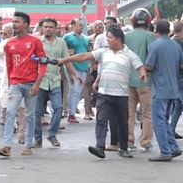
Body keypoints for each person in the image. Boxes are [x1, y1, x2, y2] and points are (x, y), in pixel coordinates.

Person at [59, 26, 147, 159]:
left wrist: (142, 74)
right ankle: (100, 147)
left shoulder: (129, 54)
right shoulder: (104, 52)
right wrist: (66, 59)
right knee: (101, 120)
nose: (108, 40)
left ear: (118, 39)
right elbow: (85, 56)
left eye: (110, 38)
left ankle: (123, 148)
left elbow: (140, 67)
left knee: (123, 123)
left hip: (121, 95)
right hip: (104, 93)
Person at [0, 12, 46, 158]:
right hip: (15, 83)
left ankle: (28, 145)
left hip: (31, 83)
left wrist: (37, 84)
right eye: (13, 22)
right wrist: (10, 84)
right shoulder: (9, 43)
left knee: (30, 115)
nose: (14, 24)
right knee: (10, 112)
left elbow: (43, 64)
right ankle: (7, 145)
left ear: (26, 25)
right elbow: (9, 65)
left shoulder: (35, 42)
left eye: (17, 22)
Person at [144, 20, 183, 162]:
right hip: (173, 88)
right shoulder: (175, 45)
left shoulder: (155, 46)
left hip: (160, 88)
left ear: (156, 31)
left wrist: (141, 68)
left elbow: (149, 65)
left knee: (158, 121)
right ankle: (173, 147)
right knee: (164, 120)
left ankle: (165, 151)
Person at [34, 18, 76, 148]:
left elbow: (66, 60)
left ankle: (52, 134)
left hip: (55, 80)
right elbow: (31, 59)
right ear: (41, 28)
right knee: (37, 111)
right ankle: (37, 138)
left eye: (51, 27)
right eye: (46, 27)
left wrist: (74, 74)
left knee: (58, 107)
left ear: (55, 29)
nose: (48, 29)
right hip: (40, 81)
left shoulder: (61, 42)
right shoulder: (36, 41)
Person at [124, 8, 155, 151]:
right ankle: (146, 141)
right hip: (145, 81)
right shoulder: (150, 36)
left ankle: (129, 140)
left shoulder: (126, 36)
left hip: (128, 80)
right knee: (147, 113)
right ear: (148, 21)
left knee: (129, 113)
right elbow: (152, 58)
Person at [63, 3, 91, 123]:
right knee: (74, 90)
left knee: (78, 91)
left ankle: (71, 110)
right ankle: (71, 114)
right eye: (79, 25)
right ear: (73, 26)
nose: (81, 27)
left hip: (84, 67)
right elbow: (63, 51)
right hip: (72, 67)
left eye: (82, 25)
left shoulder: (86, 38)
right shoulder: (67, 37)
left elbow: (89, 51)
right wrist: (67, 53)